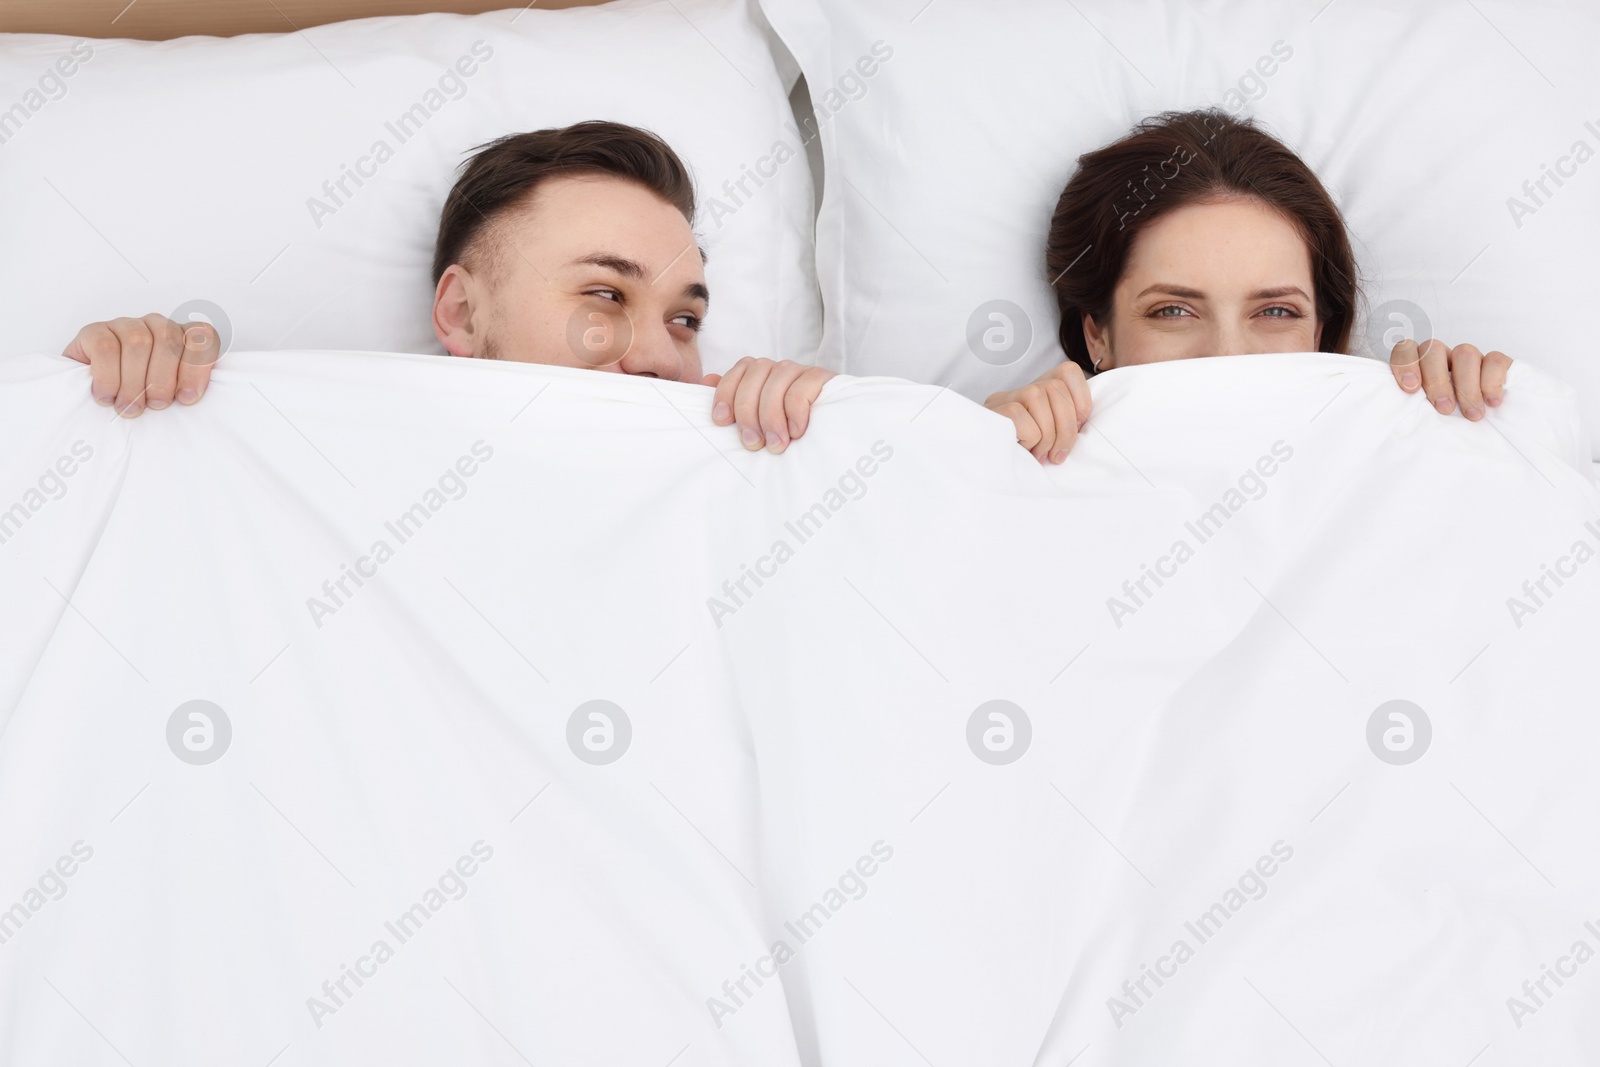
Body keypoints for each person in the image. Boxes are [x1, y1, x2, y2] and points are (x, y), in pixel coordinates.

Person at [61, 121, 834, 456]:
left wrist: (833, 435)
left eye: (686, 317)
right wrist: (126, 392)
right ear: (462, 312)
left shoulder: (746, 471)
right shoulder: (326, 455)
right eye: (604, 295)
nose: (666, 358)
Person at [986, 109, 1513, 464]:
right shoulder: (1020, 464)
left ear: (1321, 334)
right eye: (1173, 311)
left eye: (1277, 312)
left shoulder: (1404, 445)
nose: (1228, 357)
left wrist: (1469, 421)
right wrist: (975, 453)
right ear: (1096, 334)